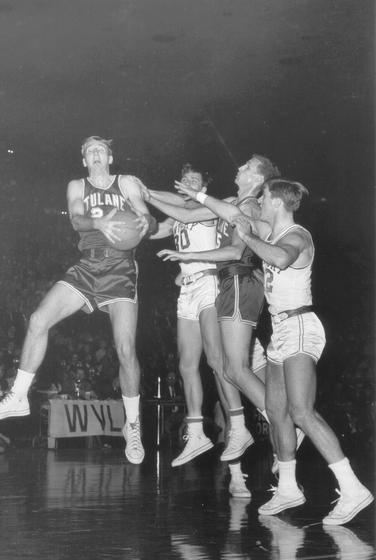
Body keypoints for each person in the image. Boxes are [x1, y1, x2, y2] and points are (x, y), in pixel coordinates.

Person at [0, 136, 158, 465]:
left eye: (100, 149)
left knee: (125, 348)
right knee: (37, 320)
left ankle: (132, 425)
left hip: (120, 269)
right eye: (89, 151)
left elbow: (148, 219)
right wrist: (98, 221)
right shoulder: (77, 185)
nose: (95, 154)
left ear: (110, 156)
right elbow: (76, 217)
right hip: (88, 265)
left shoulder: (127, 183)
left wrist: (147, 222)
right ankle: (18, 395)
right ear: (84, 160)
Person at [142, 155, 291, 492]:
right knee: (224, 368)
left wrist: (189, 257)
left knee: (226, 367)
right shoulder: (227, 204)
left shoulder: (242, 205)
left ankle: (269, 428)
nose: (237, 168)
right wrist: (141, 193)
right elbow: (180, 215)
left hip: (228, 282)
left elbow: (238, 250)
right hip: (221, 287)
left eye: (245, 166)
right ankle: (267, 446)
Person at [233, 178, 373, 525]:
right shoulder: (272, 231)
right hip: (280, 328)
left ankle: (353, 488)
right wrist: (202, 198)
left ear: (277, 202)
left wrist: (247, 237)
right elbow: (238, 215)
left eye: (263, 197)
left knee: (301, 412)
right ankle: (289, 488)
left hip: (300, 325)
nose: (260, 202)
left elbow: (280, 259)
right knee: (276, 411)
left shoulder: (297, 235)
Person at [149, 163, 255, 474]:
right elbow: (155, 230)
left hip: (210, 281)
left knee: (216, 359)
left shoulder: (212, 209)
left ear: (203, 188)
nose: (189, 183)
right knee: (186, 363)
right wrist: (130, 218)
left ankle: (238, 425)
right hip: (188, 289)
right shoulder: (178, 216)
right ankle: (196, 433)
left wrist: (145, 193)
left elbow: (185, 214)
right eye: (186, 178)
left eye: (196, 180)